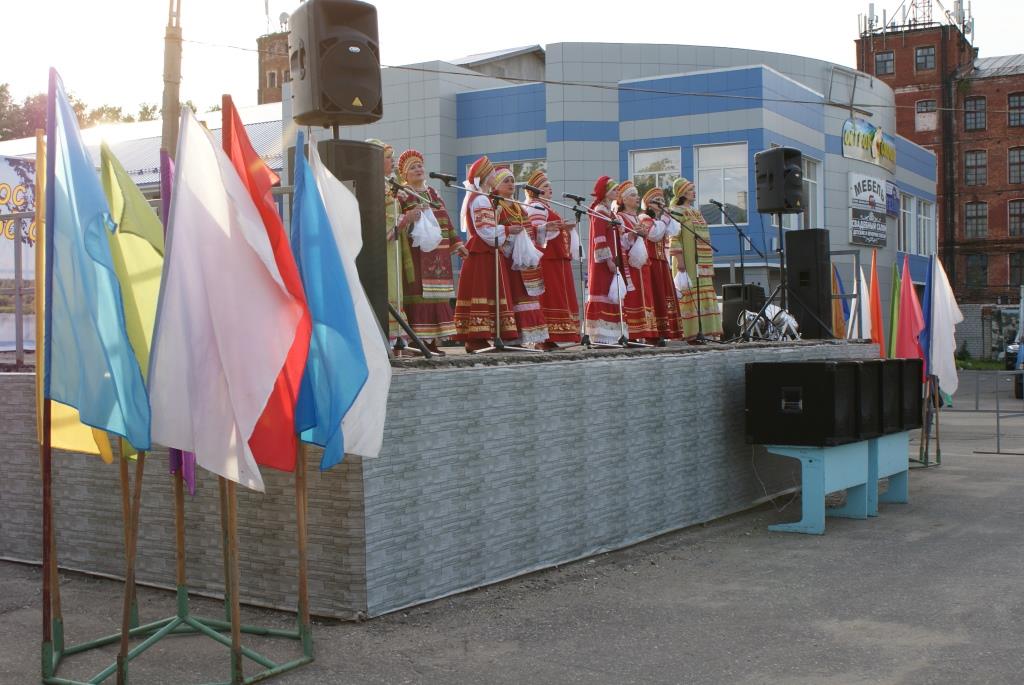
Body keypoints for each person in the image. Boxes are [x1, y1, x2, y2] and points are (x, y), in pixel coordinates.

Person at [394, 149, 469, 356]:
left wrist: (458, 244)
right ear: (404, 174)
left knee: (438, 297)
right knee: (419, 295)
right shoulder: (403, 193)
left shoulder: (434, 193)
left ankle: (432, 341)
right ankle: (417, 341)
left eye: (420, 165)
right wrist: (412, 217)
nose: (418, 169)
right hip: (416, 253)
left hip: (439, 254)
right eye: (413, 167)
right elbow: (398, 221)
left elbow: (446, 220)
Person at [453, 156, 520, 351]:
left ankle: (480, 336)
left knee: (485, 292)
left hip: (484, 252)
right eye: (491, 174)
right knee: (482, 291)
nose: (493, 177)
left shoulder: (480, 197)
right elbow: (486, 231)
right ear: (484, 176)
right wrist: (507, 229)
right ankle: (476, 337)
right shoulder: (480, 198)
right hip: (483, 253)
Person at [492, 167, 549, 346]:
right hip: (507, 261)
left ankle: (525, 338)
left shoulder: (518, 207)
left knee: (526, 296)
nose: (511, 184)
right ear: (496, 185)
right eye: (506, 181)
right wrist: (510, 235)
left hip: (523, 262)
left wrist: (543, 229)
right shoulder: (496, 206)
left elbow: (529, 230)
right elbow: (492, 233)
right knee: (513, 297)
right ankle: (512, 338)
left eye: (512, 181)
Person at [524, 170, 579, 349]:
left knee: (558, 295)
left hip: (556, 258)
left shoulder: (546, 207)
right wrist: (555, 227)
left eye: (550, 185)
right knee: (549, 296)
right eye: (545, 186)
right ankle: (543, 339)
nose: (550, 188)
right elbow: (534, 232)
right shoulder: (536, 206)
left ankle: (552, 337)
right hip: (547, 259)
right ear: (535, 190)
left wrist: (562, 227)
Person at [669, 178, 723, 341]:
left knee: (703, 292)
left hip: (702, 262)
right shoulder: (676, 211)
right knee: (689, 292)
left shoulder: (695, 211)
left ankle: (705, 331)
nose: (694, 192)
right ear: (682, 193)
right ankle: (688, 332)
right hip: (687, 260)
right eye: (690, 189)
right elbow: (674, 238)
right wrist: (680, 261)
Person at [367, 138, 407, 348]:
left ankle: (397, 336)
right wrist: (403, 222)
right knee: (387, 286)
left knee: (394, 285)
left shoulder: (387, 185)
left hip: (392, 248)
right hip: (380, 248)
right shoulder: (372, 185)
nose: (392, 161)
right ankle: (387, 337)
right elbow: (377, 219)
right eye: (388, 157)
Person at [613, 180, 658, 343]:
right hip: (630, 265)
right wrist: (633, 234)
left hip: (642, 265)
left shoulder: (637, 218)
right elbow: (619, 242)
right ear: (624, 200)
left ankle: (646, 332)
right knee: (634, 297)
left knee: (645, 295)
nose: (637, 198)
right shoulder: (620, 217)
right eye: (633, 195)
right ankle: (632, 333)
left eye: (637, 195)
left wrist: (642, 233)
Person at [584, 176, 624, 345]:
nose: (617, 192)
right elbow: (599, 237)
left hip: (611, 258)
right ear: (606, 192)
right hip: (602, 263)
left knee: (610, 292)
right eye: (614, 189)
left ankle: (612, 335)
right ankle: (601, 334)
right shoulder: (600, 210)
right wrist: (608, 260)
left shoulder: (609, 211)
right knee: (602, 291)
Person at [641, 187, 681, 341]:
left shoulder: (659, 220)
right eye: (657, 200)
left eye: (662, 200)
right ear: (649, 204)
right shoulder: (643, 217)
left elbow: (675, 231)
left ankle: (665, 331)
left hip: (662, 262)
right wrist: (664, 219)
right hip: (650, 262)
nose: (661, 203)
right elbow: (654, 235)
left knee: (664, 295)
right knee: (655, 295)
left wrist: (668, 217)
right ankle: (654, 333)